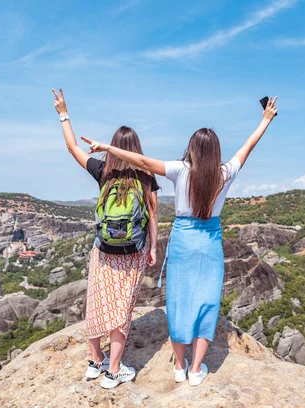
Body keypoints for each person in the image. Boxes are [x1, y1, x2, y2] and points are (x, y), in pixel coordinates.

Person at [81, 97, 279, 386]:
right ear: (216, 152)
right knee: (206, 302)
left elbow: (141, 161)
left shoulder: (180, 170)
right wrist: (266, 119)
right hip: (210, 241)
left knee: (179, 302)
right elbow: (248, 146)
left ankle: (178, 364)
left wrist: (109, 148)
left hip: (184, 241)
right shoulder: (225, 173)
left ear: (191, 149)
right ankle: (196, 368)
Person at [52, 88, 159, 389]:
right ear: (135, 149)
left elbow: (73, 147)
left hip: (103, 252)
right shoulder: (146, 177)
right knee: (121, 310)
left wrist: (63, 113)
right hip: (132, 253)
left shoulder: (103, 172)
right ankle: (113, 371)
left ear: (113, 148)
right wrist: (153, 247)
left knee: (98, 304)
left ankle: (96, 360)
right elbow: (152, 213)